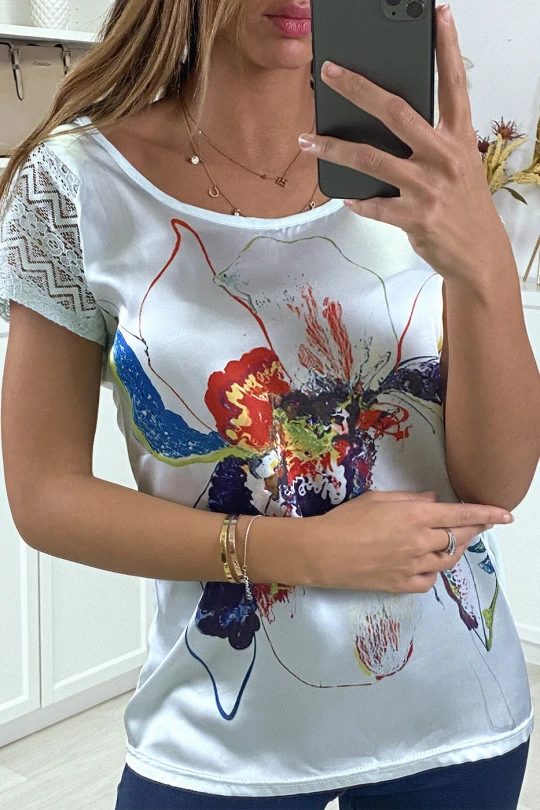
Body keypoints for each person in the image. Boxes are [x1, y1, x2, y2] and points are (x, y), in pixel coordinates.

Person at [1, 1, 538, 808]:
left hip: (458, 723)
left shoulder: (425, 173)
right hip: (217, 743)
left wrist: (485, 262)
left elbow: (497, 484)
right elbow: (46, 497)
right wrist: (302, 551)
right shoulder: (75, 184)